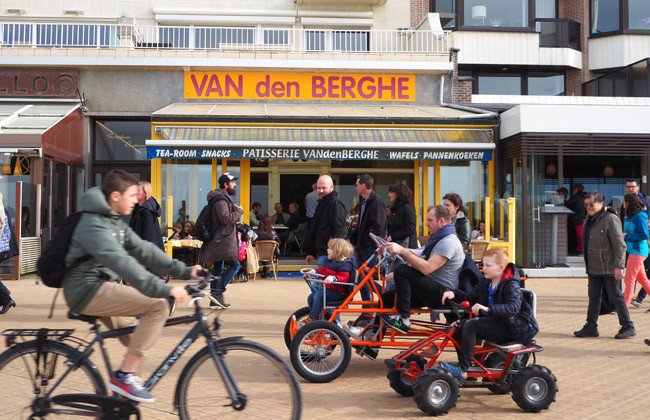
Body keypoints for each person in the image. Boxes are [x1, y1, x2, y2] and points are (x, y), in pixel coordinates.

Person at [62, 169, 202, 403]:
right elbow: (126, 265)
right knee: (158, 307)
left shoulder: (113, 221)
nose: (136, 200)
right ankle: (124, 376)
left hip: (99, 287)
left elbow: (144, 250)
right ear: (115, 196)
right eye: (131, 195)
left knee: (138, 340)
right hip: (87, 289)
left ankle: (120, 403)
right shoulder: (95, 223)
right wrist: (166, 290)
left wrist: (185, 271)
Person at [440, 248, 538, 381]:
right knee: (458, 326)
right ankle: (466, 366)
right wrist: (454, 294)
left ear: (500, 268)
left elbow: (513, 308)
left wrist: (487, 309)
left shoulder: (510, 284)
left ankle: (462, 369)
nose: (484, 268)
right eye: (483, 265)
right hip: (498, 323)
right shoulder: (487, 281)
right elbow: (472, 296)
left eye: (488, 265)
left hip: (512, 327)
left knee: (470, 325)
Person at [378, 205, 465, 333]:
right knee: (386, 298)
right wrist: (393, 249)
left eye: (430, 220)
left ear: (441, 222)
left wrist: (402, 250)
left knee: (402, 270)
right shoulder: (439, 238)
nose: (426, 224)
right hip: (432, 289)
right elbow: (418, 252)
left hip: (443, 294)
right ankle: (372, 338)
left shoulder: (448, 242)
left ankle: (404, 320)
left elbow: (427, 268)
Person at [574, 190, 636, 339]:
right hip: (594, 268)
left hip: (609, 267)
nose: (588, 207)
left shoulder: (610, 218)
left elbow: (620, 245)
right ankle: (591, 326)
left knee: (616, 296)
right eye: (586, 205)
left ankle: (628, 326)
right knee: (594, 297)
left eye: (592, 204)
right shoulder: (589, 219)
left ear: (601, 203)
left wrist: (619, 266)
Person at [198, 172, 244, 309]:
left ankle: (215, 301)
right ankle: (218, 292)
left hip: (219, 239)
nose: (235, 185)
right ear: (225, 184)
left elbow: (220, 221)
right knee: (235, 265)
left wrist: (235, 224)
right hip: (221, 240)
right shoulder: (221, 200)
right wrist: (239, 212)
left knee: (218, 268)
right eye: (233, 182)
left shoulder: (220, 198)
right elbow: (225, 219)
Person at [305, 238, 355, 322]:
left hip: (339, 293)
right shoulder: (329, 262)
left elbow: (345, 277)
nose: (327, 250)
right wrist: (313, 272)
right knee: (311, 297)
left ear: (337, 252)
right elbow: (321, 270)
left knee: (318, 296)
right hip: (329, 290)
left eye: (329, 249)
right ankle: (316, 316)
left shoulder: (344, 265)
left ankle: (313, 318)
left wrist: (333, 278)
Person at [303, 175, 347, 267]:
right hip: (324, 252)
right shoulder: (323, 202)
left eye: (324, 188)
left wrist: (336, 252)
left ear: (332, 187)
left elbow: (339, 229)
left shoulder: (334, 203)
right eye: (319, 188)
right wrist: (312, 252)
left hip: (329, 254)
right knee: (321, 280)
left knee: (321, 281)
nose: (321, 191)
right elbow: (316, 228)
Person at [349, 174, 387, 268]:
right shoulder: (364, 202)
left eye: (356, 185)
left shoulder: (376, 201)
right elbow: (362, 224)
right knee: (362, 278)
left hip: (369, 247)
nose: (356, 188)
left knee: (365, 278)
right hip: (361, 246)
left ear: (363, 185)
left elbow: (379, 225)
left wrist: (375, 244)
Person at [621, 193, 650, 306]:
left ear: (628, 203)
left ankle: (623, 307)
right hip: (634, 251)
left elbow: (644, 234)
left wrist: (626, 236)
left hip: (637, 251)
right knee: (643, 279)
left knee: (629, 280)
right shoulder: (631, 216)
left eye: (624, 201)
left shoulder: (639, 216)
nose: (622, 203)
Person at [129, 181, 164, 252]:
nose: (135, 192)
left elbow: (149, 235)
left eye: (138, 190)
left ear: (145, 193)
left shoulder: (147, 211)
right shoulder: (138, 207)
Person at [0, 193, 18, 314]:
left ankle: (6, 299)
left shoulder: (2, 212)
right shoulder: (3, 211)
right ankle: (5, 294)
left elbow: (6, 232)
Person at [386, 184, 417, 249]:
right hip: (396, 247)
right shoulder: (396, 209)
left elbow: (410, 227)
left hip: (406, 248)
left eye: (392, 192)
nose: (389, 195)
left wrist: (393, 237)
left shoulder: (407, 208)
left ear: (399, 194)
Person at [255, 214, 279, 278]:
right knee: (269, 251)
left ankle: (264, 272)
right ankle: (266, 273)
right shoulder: (273, 232)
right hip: (270, 254)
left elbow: (252, 243)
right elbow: (279, 242)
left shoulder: (256, 232)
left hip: (258, 254)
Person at [565, 183, 586, 255]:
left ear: (576, 189)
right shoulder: (585, 196)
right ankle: (580, 249)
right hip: (583, 217)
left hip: (578, 218)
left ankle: (581, 250)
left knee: (580, 235)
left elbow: (567, 203)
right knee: (581, 235)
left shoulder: (577, 196)